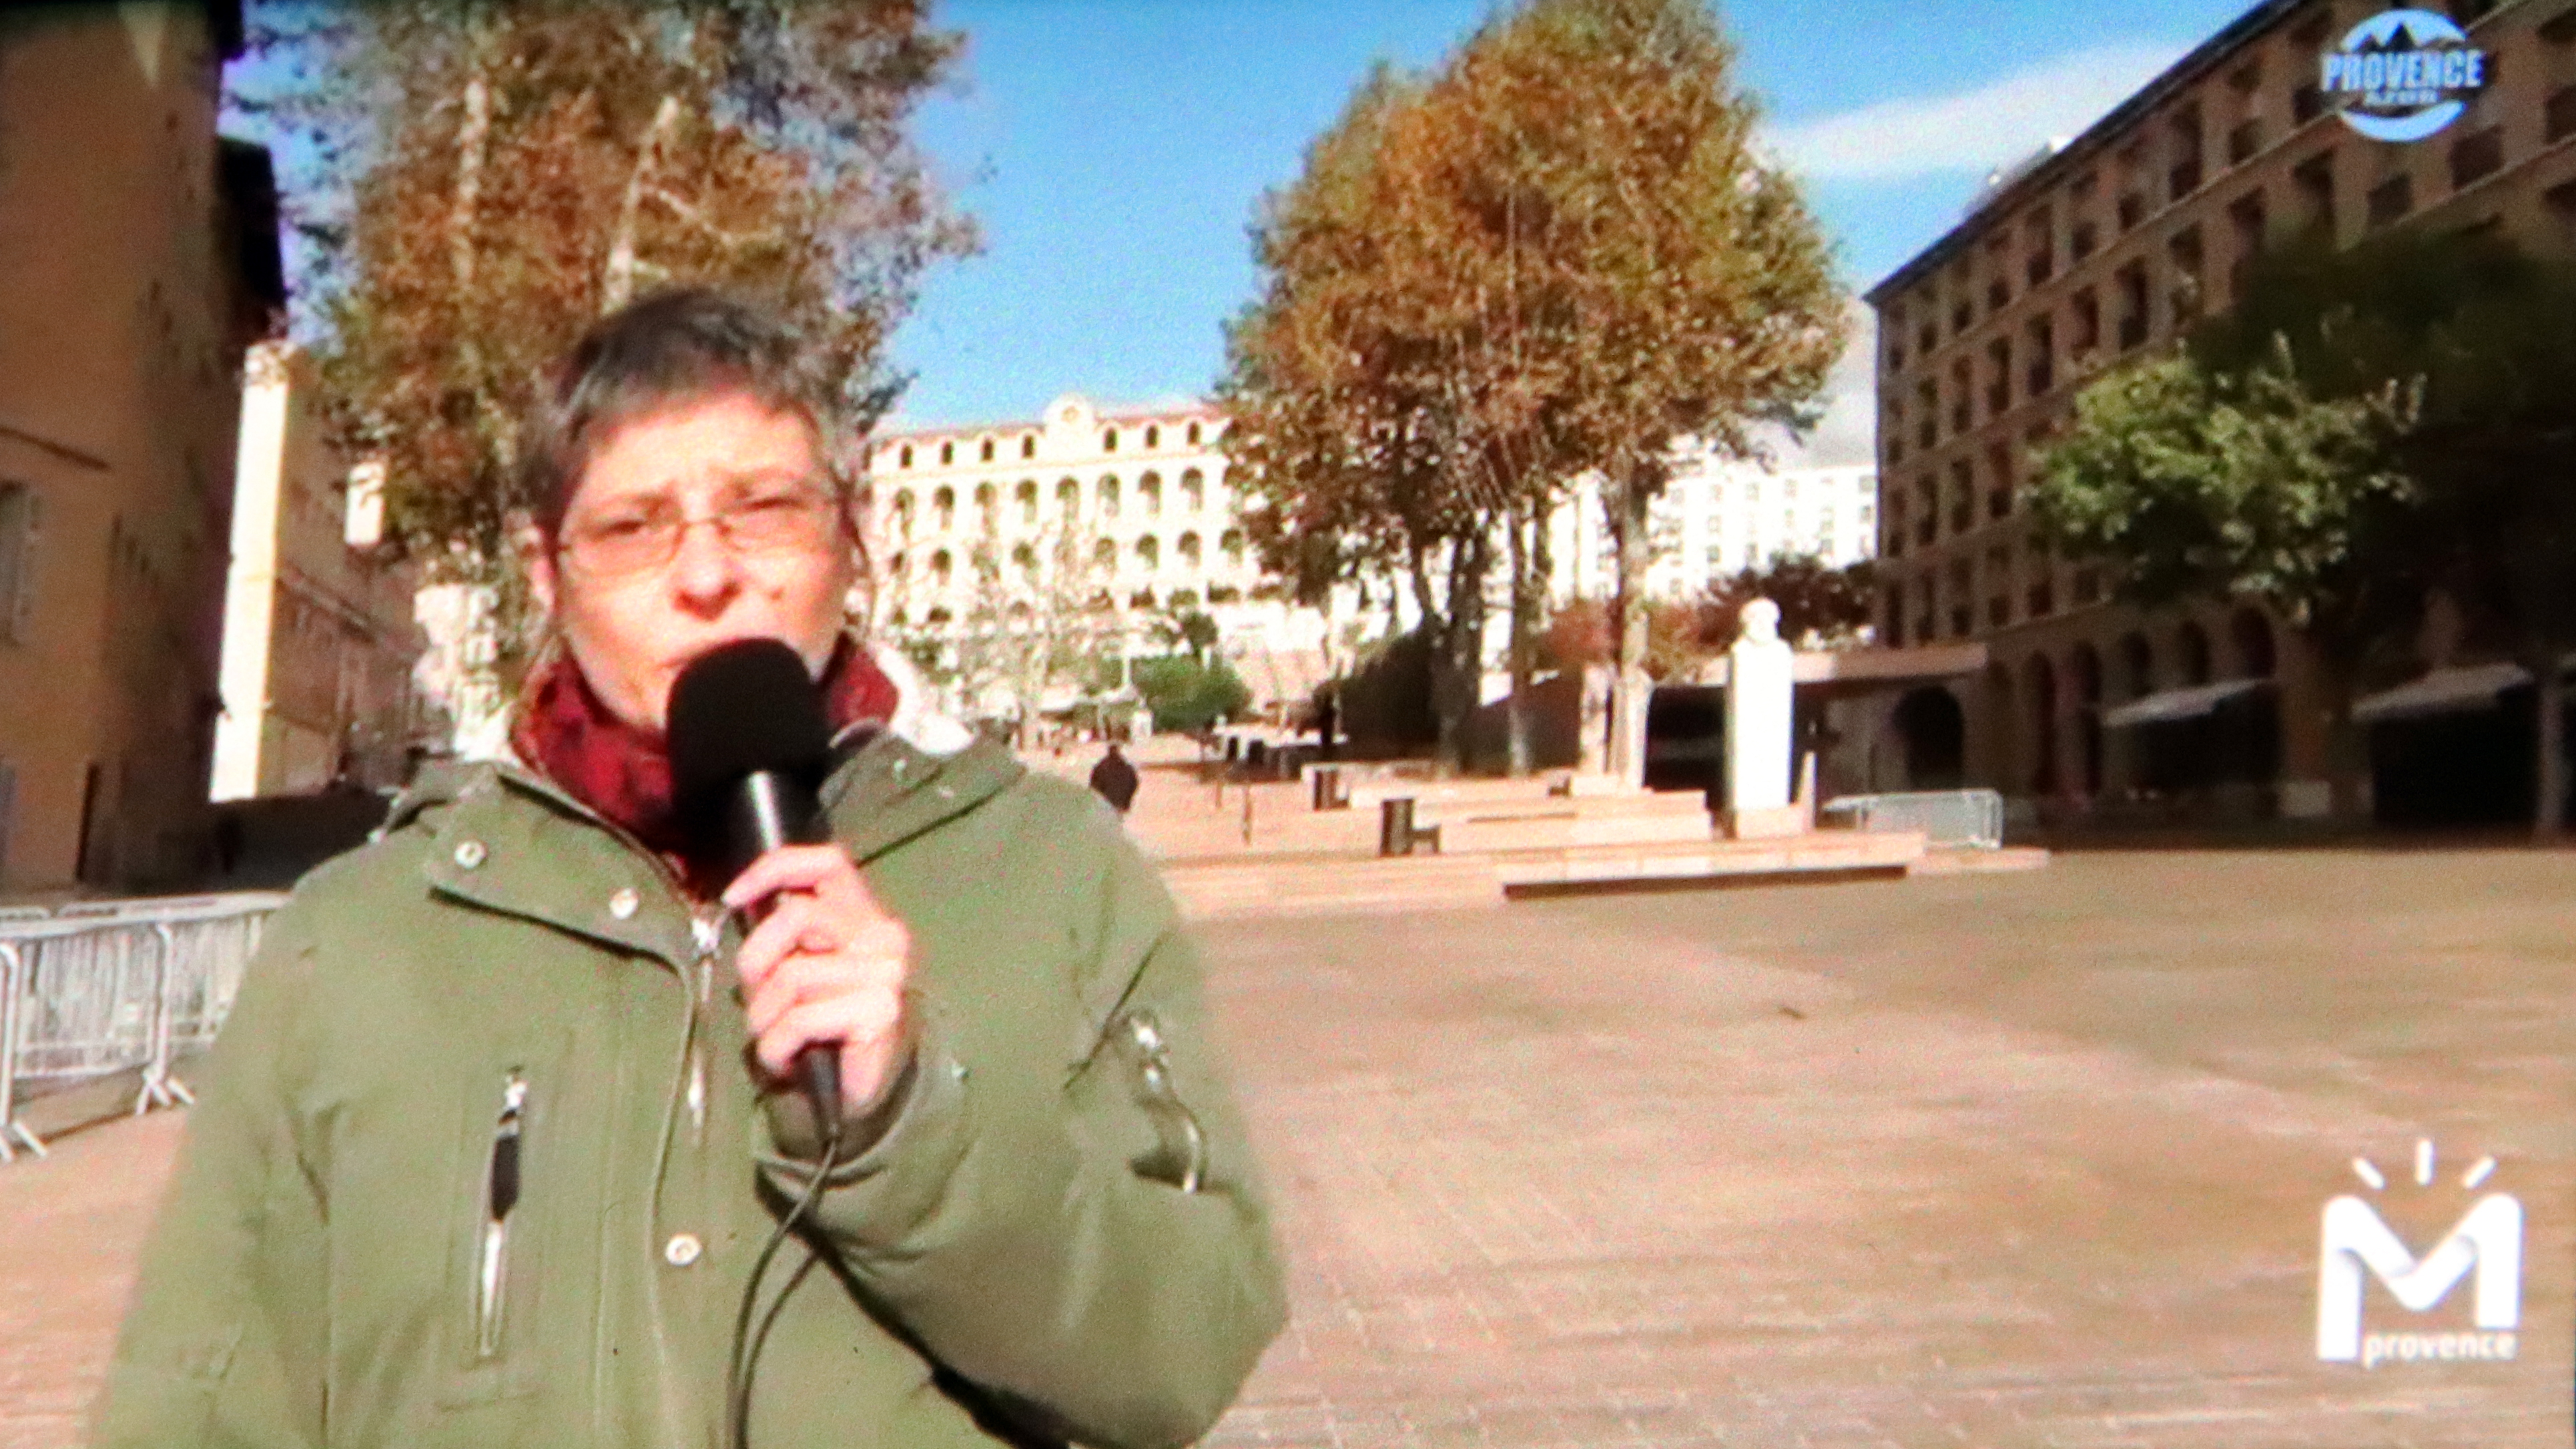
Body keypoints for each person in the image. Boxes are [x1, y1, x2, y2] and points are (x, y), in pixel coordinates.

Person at [95, 290, 1287, 1448]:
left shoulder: (1054, 872)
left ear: (852, 536)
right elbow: (191, 1401)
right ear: (546, 572)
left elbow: (1181, 1358)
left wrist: (909, 1129)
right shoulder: (356, 935)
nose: (707, 576)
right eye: (633, 527)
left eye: (763, 509)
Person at [1088, 740, 1140, 816]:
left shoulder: (1100, 767)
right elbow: (1134, 784)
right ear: (1119, 751)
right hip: (1121, 804)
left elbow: (1094, 786)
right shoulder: (1126, 767)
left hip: (1106, 803)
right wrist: (1127, 800)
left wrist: (1099, 800)